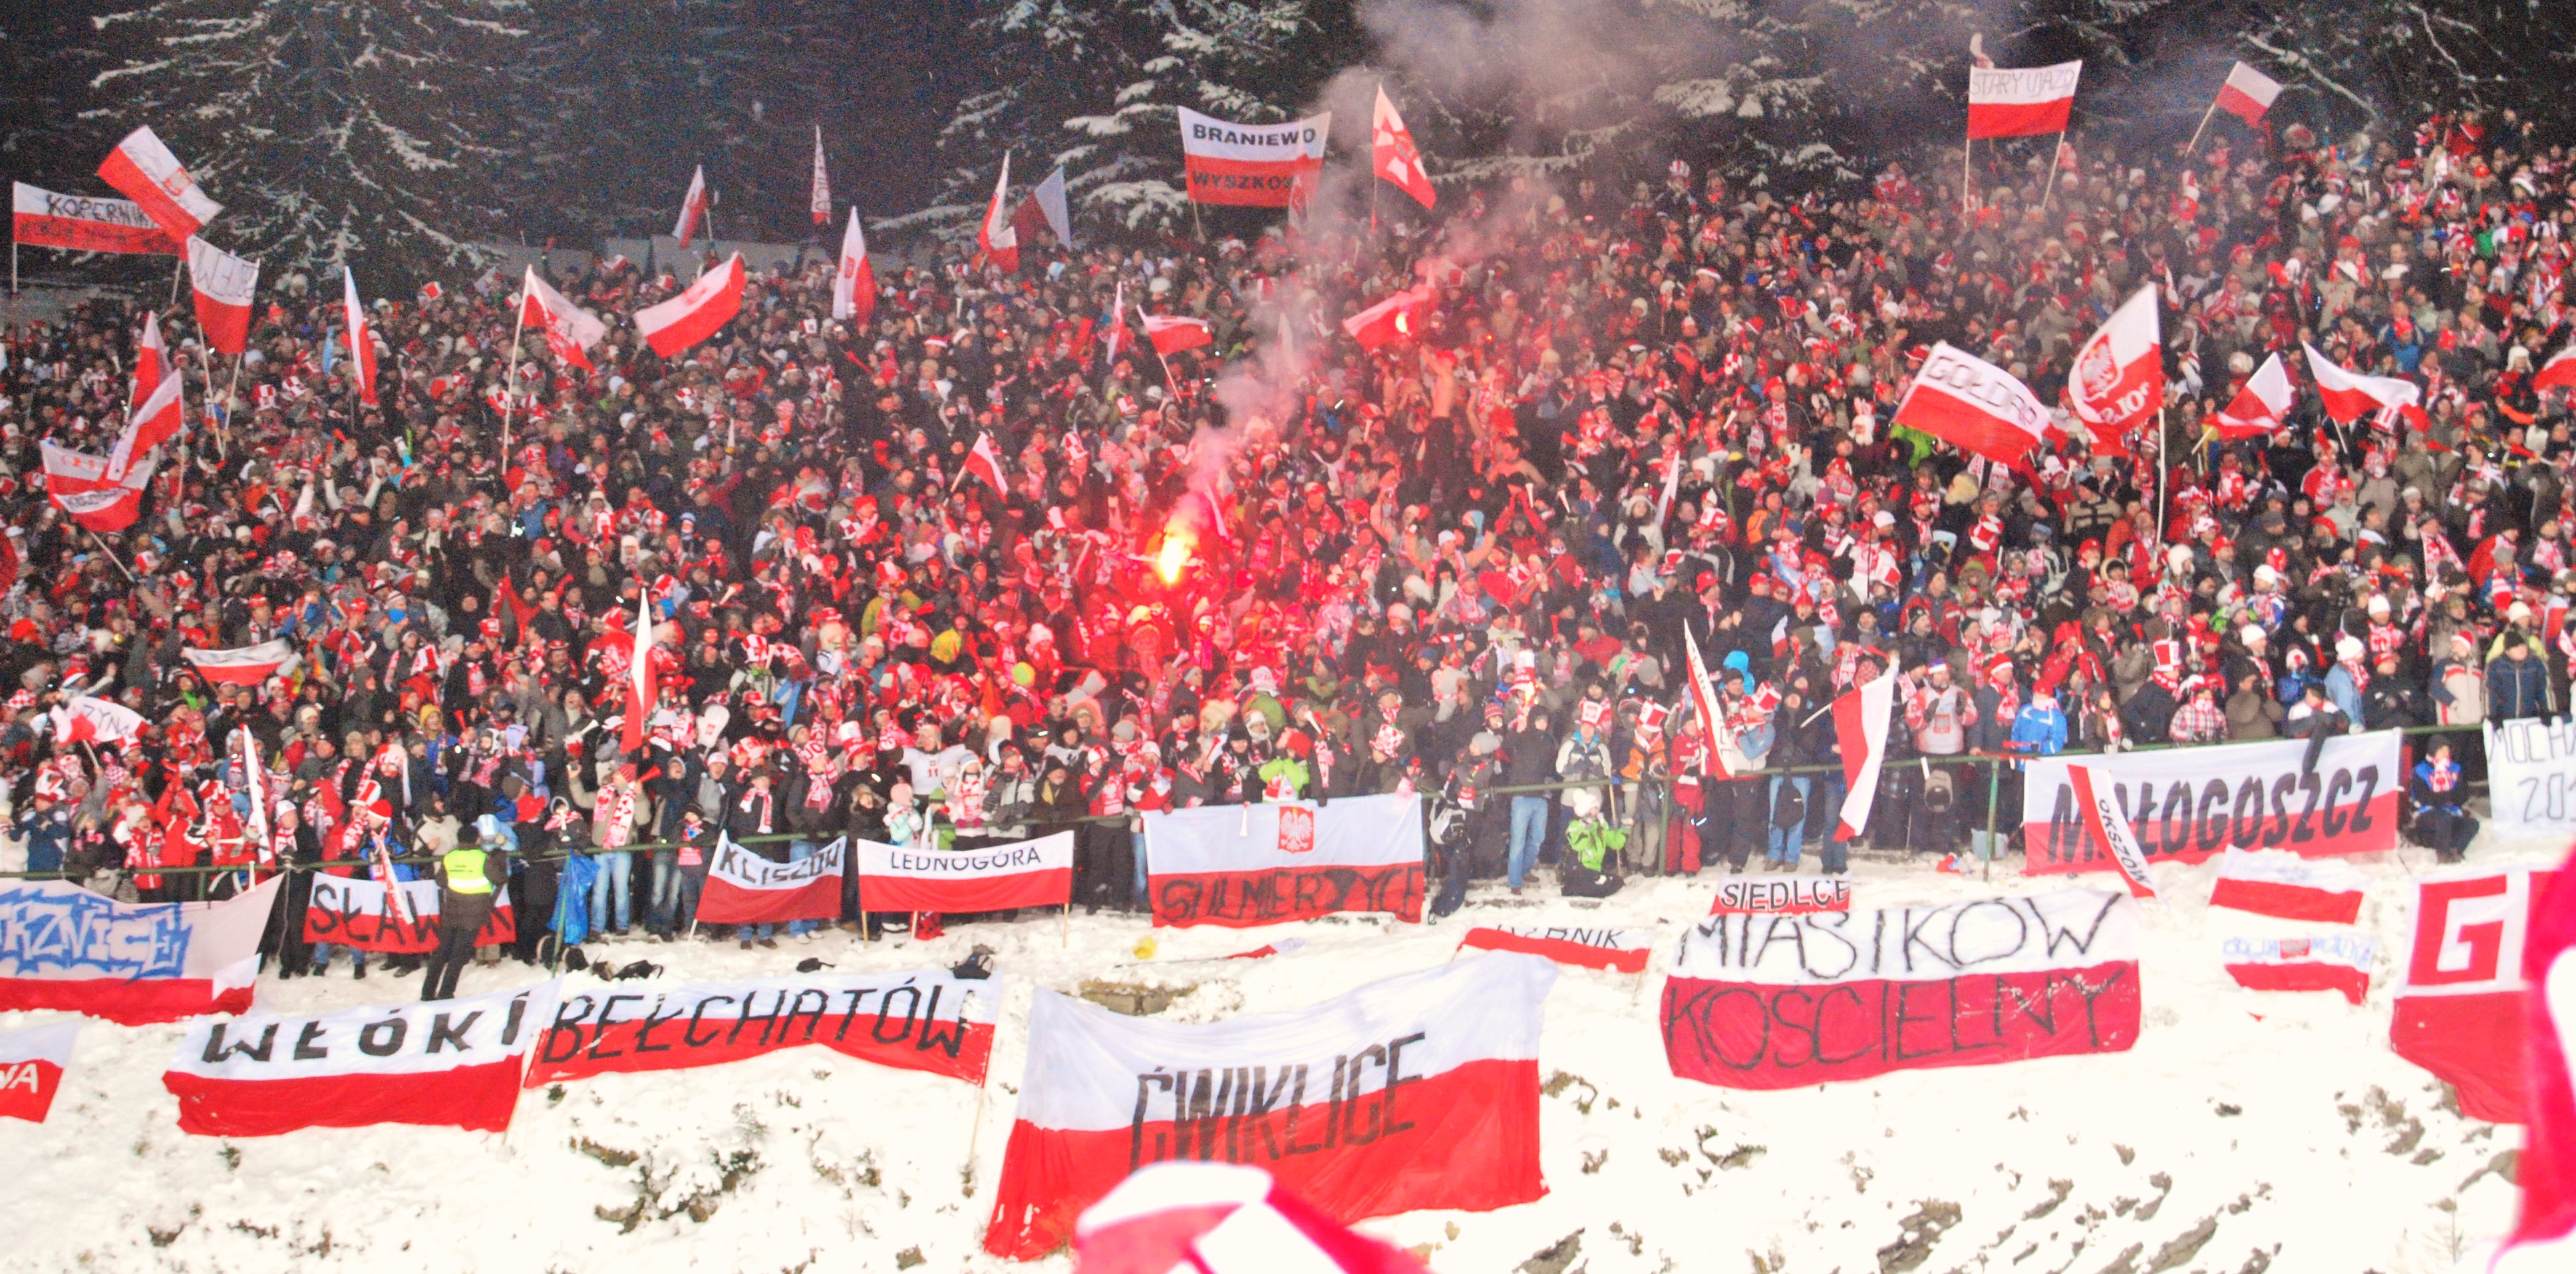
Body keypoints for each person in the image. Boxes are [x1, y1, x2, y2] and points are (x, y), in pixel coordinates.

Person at [422, 822, 500, 1002]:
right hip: (474, 912)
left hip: (452, 909)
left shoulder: (450, 856)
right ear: (477, 839)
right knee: (459, 954)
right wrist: (498, 860)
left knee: (442, 951)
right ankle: (446, 992)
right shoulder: (482, 857)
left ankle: (427, 992)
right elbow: (499, 878)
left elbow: (441, 882)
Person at [2410, 741, 2477, 863]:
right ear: (2433, 751)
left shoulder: (2456, 768)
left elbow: (2462, 794)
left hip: (2451, 811)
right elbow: (2423, 797)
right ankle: (2443, 854)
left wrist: (2444, 798)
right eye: (2442, 750)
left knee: (2472, 824)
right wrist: (2447, 797)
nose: (2446, 754)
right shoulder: (2420, 770)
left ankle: (2455, 850)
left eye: (2447, 750)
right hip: (2427, 812)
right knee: (2444, 818)